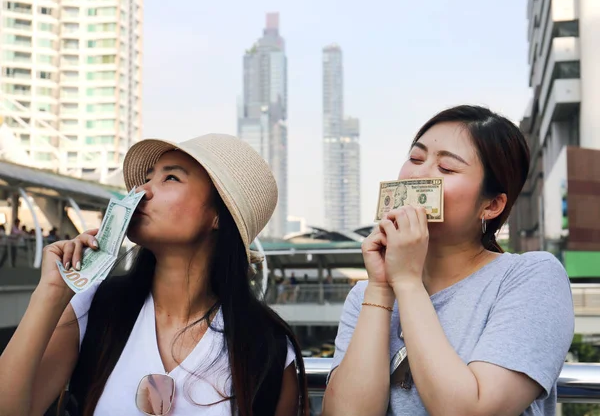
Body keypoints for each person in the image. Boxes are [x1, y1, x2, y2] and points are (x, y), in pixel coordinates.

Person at [0, 134, 308, 416]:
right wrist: (50, 294)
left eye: (170, 178)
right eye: (147, 179)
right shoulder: (92, 308)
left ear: (217, 215)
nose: (141, 191)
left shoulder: (268, 347)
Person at [322, 105, 574, 416]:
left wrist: (407, 282)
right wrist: (381, 287)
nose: (420, 175)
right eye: (416, 158)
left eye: (447, 169)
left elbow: (472, 411)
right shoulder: (366, 294)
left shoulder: (530, 277)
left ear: (492, 205)